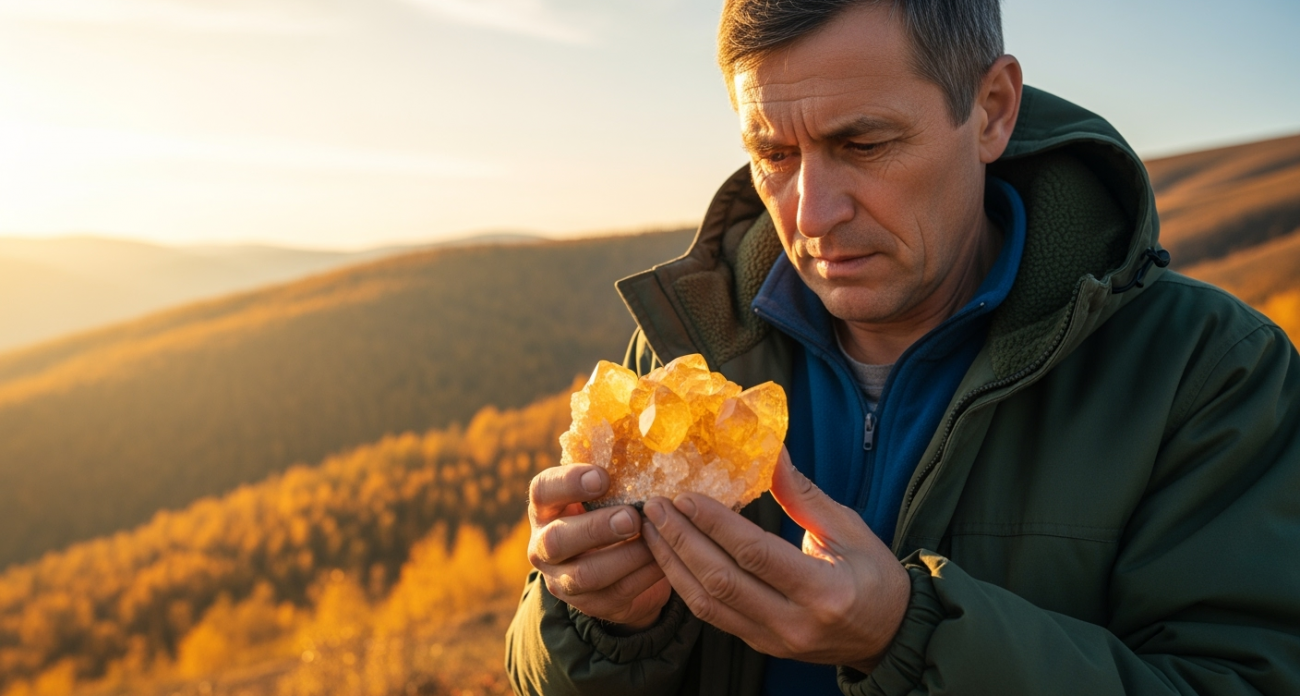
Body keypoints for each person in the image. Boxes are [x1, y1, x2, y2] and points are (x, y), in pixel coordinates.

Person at [506, 0, 1300, 694]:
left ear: (991, 109)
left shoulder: (1210, 372)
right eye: (774, 155)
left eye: (864, 144)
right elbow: (547, 673)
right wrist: (597, 621)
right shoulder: (689, 355)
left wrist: (906, 636)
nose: (812, 214)